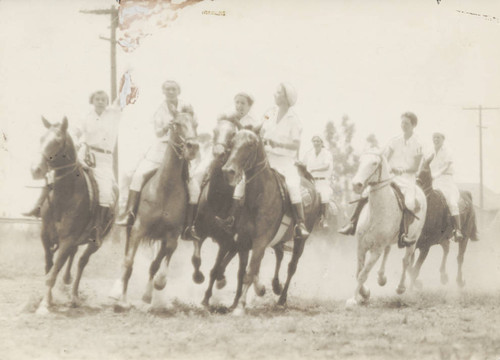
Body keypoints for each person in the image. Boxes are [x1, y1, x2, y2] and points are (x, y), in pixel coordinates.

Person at [24, 90, 120, 245]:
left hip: (104, 160)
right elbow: (75, 131)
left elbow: (123, 97)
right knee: (57, 174)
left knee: (105, 192)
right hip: (85, 154)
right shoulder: (86, 117)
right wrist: (75, 140)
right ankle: (38, 206)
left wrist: (128, 74)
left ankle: (97, 228)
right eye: (97, 99)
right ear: (92, 101)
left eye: (103, 99)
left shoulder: (114, 115)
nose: (100, 101)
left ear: (107, 102)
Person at [215, 82, 309, 239]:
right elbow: (257, 126)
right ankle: (231, 218)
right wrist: (237, 123)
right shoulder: (269, 112)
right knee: (242, 181)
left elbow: (296, 144)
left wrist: (278, 144)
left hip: (285, 161)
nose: (274, 94)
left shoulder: (294, 120)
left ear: (286, 98)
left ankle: (300, 224)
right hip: (268, 158)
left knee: (293, 185)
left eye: (278, 92)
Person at [115, 80, 201, 241]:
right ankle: (130, 214)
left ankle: (190, 226)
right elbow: (158, 133)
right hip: (161, 149)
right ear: (163, 91)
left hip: (181, 151)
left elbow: (194, 127)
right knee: (138, 176)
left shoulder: (187, 108)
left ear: (178, 90)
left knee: (194, 188)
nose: (170, 92)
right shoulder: (159, 110)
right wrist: (167, 127)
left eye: (173, 89)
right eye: (167, 89)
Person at [339, 112, 423, 246]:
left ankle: (403, 234)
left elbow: (415, 167)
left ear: (413, 125)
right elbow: (385, 158)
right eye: (402, 122)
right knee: (366, 194)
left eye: (406, 123)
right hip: (391, 177)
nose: (403, 125)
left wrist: (403, 170)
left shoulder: (418, 143)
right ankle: (352, 223)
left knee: (410, 202)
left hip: (408, 179)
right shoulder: (395, 140)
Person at [428, 131, 463, 240]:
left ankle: (457, 230)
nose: (436, 139)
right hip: (433, 181)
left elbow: (446, 166)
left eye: (438, 137)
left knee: (452, 202)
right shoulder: (430, 152)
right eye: (434, 137)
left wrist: (436, 174)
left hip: (446, 181)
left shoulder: (448, 151)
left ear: (443, 139)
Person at [301, 135, 332, 228]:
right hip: (310, 181)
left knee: (324, 195)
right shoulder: (309, 153)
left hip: (322, 181)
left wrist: (314, 169)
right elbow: (303, 164)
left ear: (322, 143)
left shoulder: (326, 153)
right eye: (314, 141)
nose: (316, 143)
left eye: (318, 141)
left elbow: (326, 166)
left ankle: (324, 218)